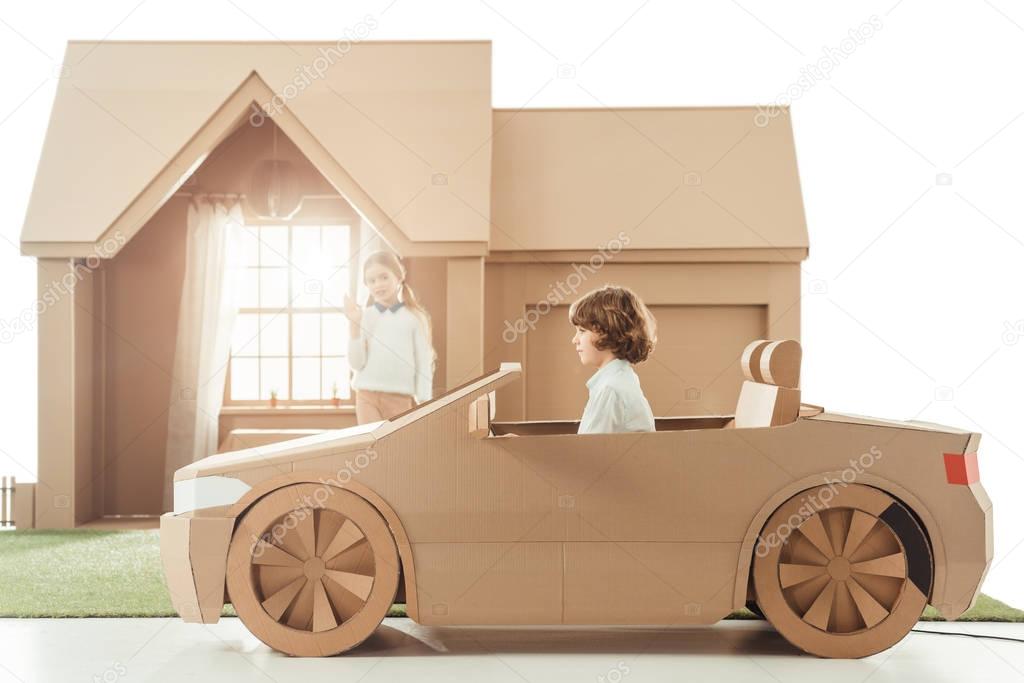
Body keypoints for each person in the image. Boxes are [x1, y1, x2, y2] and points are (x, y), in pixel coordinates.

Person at [343, 251, 435, 423]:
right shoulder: (363, 317)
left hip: (399, 398)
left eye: (384, 277)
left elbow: (423, 361)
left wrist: (424, 400)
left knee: (395, 448)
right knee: (371, 446)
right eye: (372, 280)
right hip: (366, 396)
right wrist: (354, 326)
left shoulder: (415, 318)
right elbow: (357, 364)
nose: (378, 285)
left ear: (399, 277)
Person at [569, 285, 657, 434]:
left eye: (582, 331)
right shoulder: (619, 380)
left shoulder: (611, 390)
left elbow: (589, 454)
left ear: (608, 332)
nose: (574, 340)